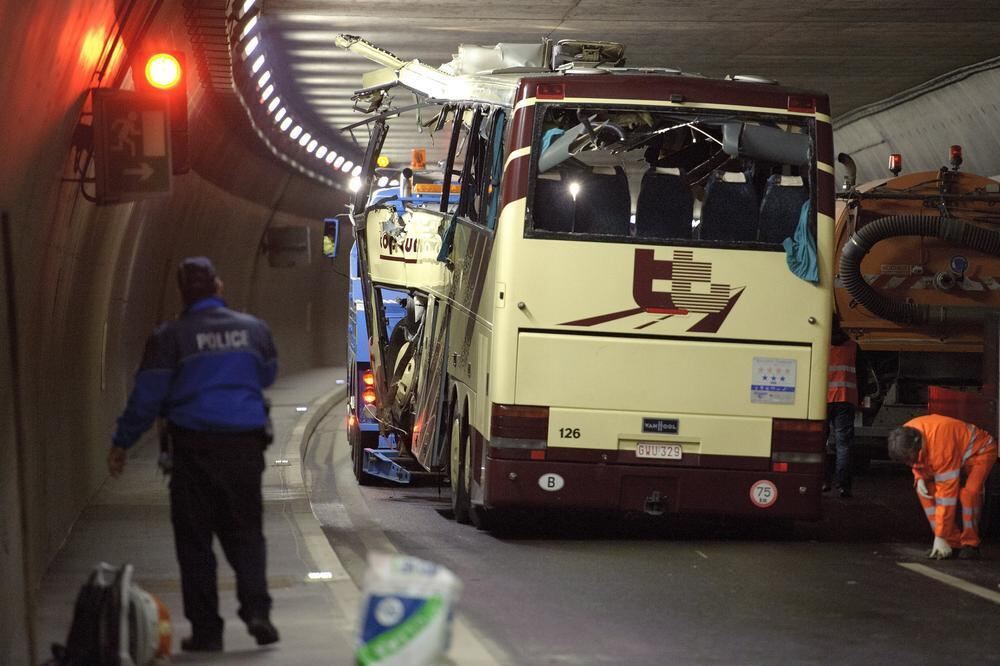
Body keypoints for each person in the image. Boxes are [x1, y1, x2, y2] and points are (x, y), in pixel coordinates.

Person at [108, 257, 280, 652]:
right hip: (244, 448)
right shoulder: (253, 329)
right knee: (246, 535)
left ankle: (207, 631)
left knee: (195, 543)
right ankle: (258, 612)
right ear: (218, 287)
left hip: (193, 451)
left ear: (183, 293)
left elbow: (146, 398)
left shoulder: (170, 337)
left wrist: (121, 442)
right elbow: (267, 374)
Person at [887, 414, 997, 560]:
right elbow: (918, 460)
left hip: (981, 451)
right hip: (957, 451)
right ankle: (952, 542)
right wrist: (918, 475)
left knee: (970, 494)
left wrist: (939, 536)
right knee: (924, 490)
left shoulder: (941, 447)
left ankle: (970, 544)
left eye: (910, 460)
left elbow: (947, 498)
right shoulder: (907, 435)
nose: (910, 464)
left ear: (917, 447)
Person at [826, 319, 858, 498]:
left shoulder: (821, 346)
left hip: (821, 400)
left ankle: (823, 482)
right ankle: (843, 486)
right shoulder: (853, 347)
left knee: (819, 444)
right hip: (845, 399)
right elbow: (861, 374)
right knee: (843, 445)